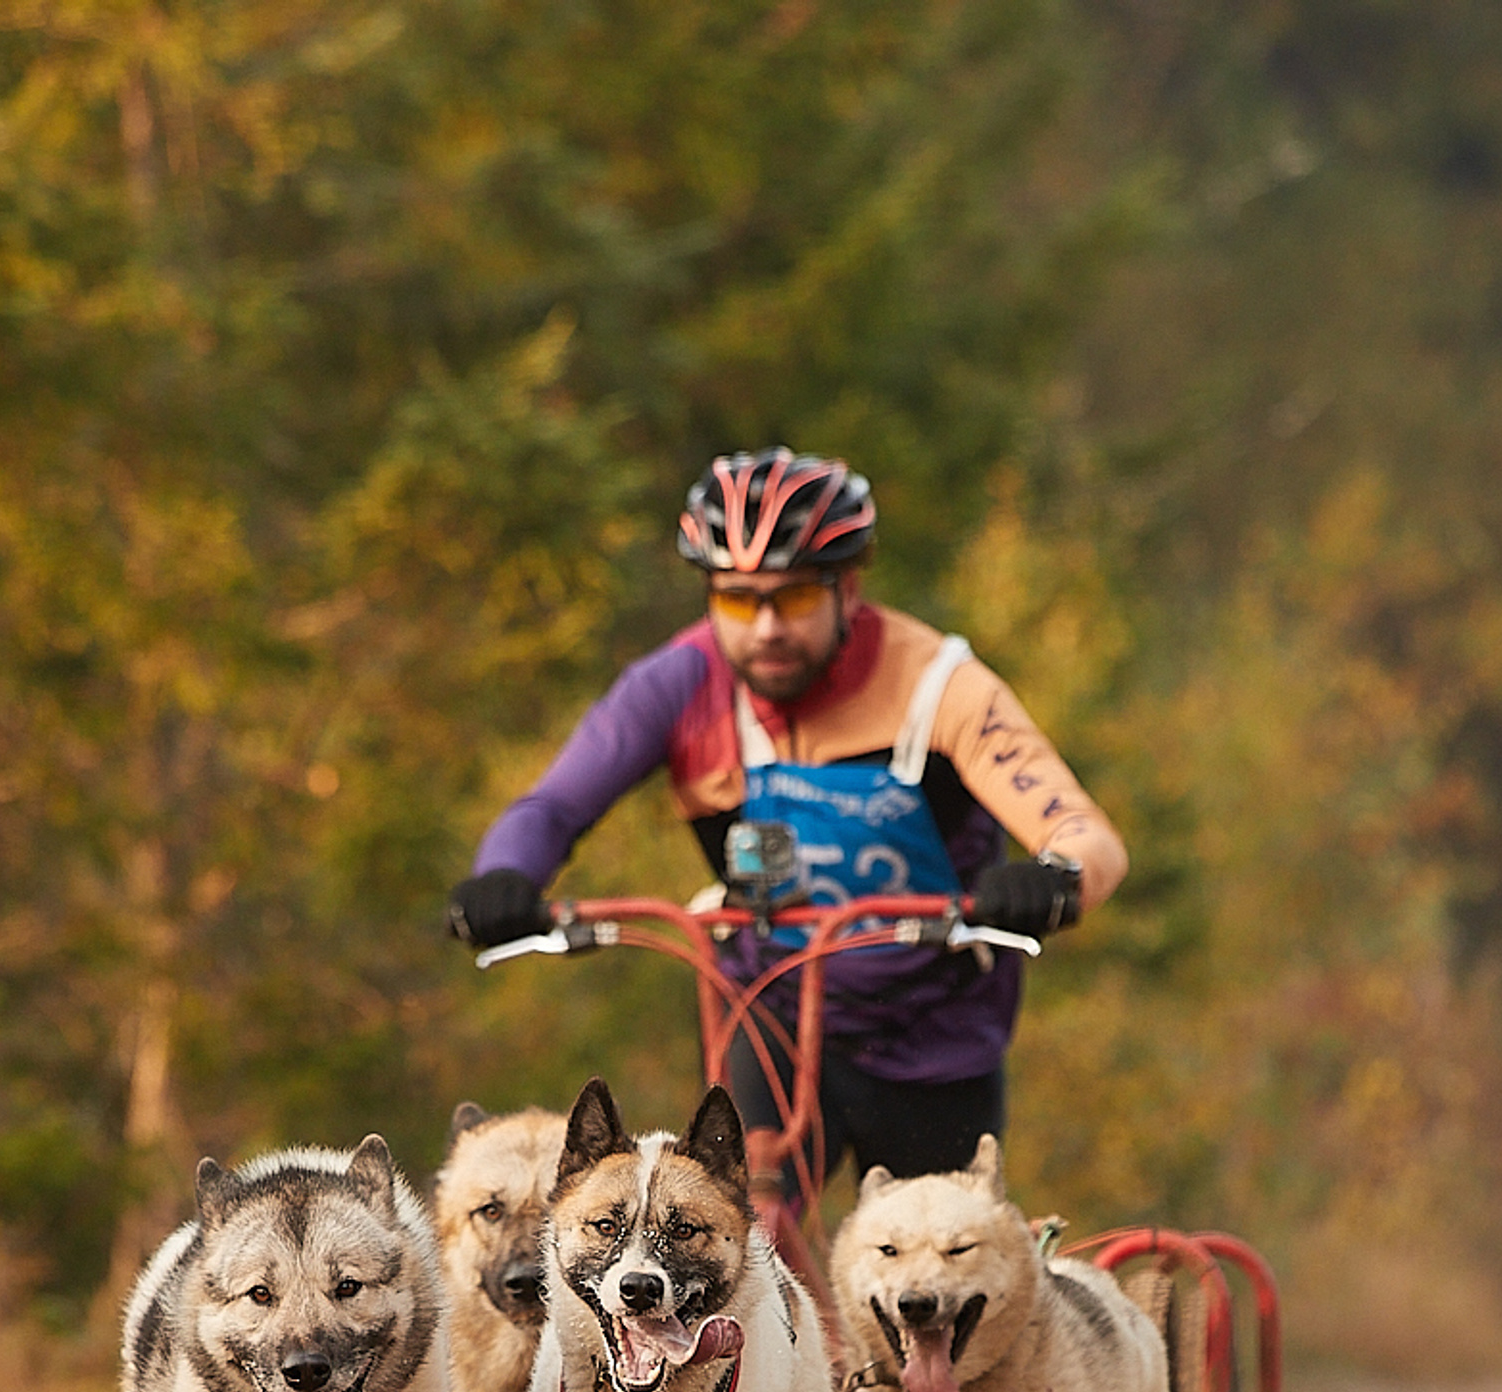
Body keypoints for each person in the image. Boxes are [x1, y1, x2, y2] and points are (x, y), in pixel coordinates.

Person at [447, 447, 1129, 1193]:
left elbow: (1085, 835)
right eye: (738, 601)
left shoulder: (938, 685)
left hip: (933, 1034)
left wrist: (1054, 878)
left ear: (850, 588)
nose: (767, 627)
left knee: (948, 1272)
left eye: (796, 598)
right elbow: (553, 805)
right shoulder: (677, 684)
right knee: (732, 1245)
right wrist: (505, 877)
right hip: (767, 1013)